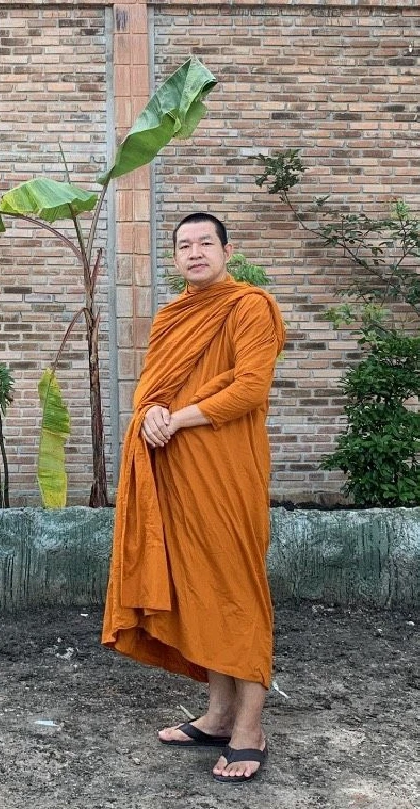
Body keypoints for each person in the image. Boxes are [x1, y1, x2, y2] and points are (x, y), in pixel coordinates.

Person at [101, 212, 286, 784]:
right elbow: (154, 388)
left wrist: (176, 417)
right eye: (185, 245)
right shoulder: (172, 315)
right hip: (176, 475)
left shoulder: (250, 306)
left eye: (206, 242)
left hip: (227, 470)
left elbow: (250, 387)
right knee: (197, 589)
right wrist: (155, 412)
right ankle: (218, 713)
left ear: (227, 251)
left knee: (236, 588)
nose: (196, 251)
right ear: (175, 257)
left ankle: (250, 727)